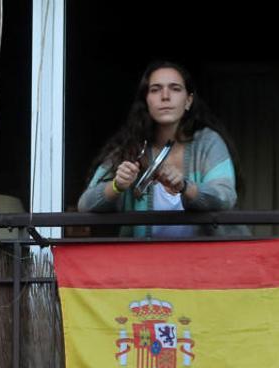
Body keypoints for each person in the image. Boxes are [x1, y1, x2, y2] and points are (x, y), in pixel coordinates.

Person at [77, 61, 243, 237]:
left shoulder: (208, 143)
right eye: (155, 89)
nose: (165, 96)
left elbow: (225, 197)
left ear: (188, 100)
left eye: (175, 88)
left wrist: (184, 186)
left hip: (203, 261)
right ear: (146, 100)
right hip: (143, 260)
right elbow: (85, 205)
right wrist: (117, 185)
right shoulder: (131, 146)